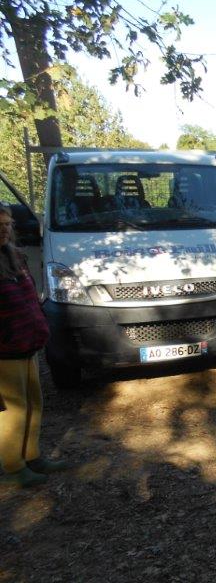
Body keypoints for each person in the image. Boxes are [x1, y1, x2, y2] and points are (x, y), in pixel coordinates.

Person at [0, 205, 67, 488]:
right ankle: (14, 467)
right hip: (5, 352)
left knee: (34, 404)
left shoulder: (15, 258)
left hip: (27, 345)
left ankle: (33, 455)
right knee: (13, 409)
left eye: (7, 224)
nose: (4, 229)